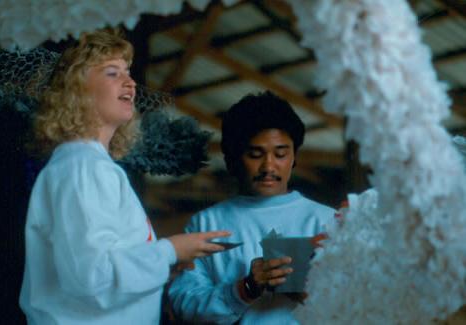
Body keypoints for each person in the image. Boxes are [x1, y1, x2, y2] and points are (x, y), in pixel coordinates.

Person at [19, 29, 229, 325]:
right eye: (112, 72)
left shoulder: (88, 164)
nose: (130, 82)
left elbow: (97, 272)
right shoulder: (83, 168)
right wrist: (170, 250)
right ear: (77, 91)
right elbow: (93, 280)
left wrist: (158, 271)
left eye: (128, 72)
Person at [168, 91, 335, 324]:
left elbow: (363, 300)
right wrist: (244, 289)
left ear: (294, 157)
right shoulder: (206, 225)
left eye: (280, 154)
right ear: (233, 158)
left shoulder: (329, 221)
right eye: (255, 154)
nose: (269, 166)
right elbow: (184, 305)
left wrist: (313, 295)